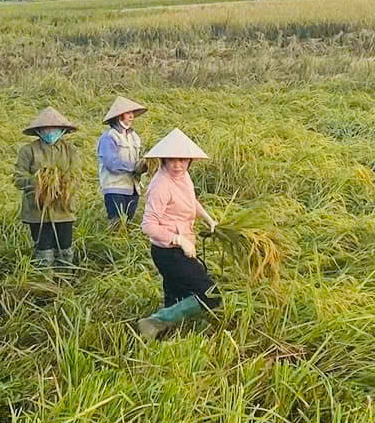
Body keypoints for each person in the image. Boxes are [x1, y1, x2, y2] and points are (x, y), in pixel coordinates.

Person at [135, 129, 224, 339]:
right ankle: (153, 323)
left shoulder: (183, 176)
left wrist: (208, 218)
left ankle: (167, 337)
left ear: (189, 160)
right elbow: (147, 225)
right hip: (168, 251)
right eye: (172, 160)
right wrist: (179, 240)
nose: (178, 165)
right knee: (211, 295)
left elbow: (189, 200)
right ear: (164, 160)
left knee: (177, 295)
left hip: (179, 247)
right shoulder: (161, 185)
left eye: (183, 159)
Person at [13, 106, 85, 270]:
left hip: (64, 209)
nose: (50, 131)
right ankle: (44, 286)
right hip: (38, 212)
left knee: (65, 251)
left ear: (62, 130)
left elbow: (77, 175)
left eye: (54, 128)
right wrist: (39, 181)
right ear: (39, 130)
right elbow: (18, 179)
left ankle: (65, 282)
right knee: (43, 253)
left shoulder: (70, 150)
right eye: (46, 128)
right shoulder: (28, 151)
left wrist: (62, 183)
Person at [96, 96, 147, 224]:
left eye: (132, 113)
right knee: (116, 224)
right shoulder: (109, 137)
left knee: (128, 223)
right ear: (119, 116)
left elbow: (139, 158)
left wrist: (145, 166)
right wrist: (134, 167)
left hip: (133, 188)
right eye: (128, 113)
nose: (132, 116)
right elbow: (111, 163)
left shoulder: (134, 136)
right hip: (115, 187)